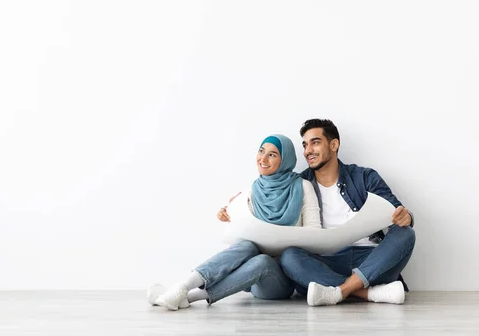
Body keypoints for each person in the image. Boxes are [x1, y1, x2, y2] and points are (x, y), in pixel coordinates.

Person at [147, 134, 321, 311]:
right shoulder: (252, 191)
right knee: (247, 247)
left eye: (273, 154)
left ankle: (189, 297)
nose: (263, 158)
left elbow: (315, 234)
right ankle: (182, 288)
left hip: (280, 280)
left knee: (263, 260)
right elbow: (239, 236)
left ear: (285, 160)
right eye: (261, 151)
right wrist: (228, 215)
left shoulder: (303, 187)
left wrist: (279, 240)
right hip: (249, 274)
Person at [280, 119, 416, 306]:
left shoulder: (364, 177)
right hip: (327, 261)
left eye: (315, 142)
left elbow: (394, 211)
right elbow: (271, 202)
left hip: (370, 261)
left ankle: (338, 291)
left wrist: (405, 217)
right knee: (289, 257)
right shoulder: (298, 184)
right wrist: (241, 204)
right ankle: (370, 294)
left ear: (334, 144)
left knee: (405, 233)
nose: (307, 150)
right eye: (305, 145)